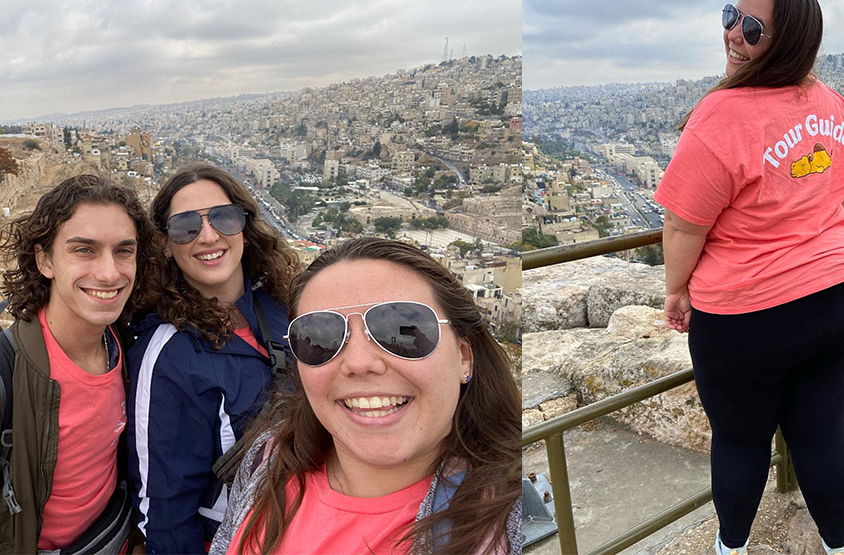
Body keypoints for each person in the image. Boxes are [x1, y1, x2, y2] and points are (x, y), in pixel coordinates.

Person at [653, 0, 844, 554]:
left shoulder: (720, 113)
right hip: (837, 290)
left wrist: (676, 291)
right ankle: (841, 545)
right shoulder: (830, 103)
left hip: (748, 311)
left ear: (789, 41)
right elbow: (839, 186)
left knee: (743, 440)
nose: (732, 33)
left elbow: (683, 224)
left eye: (751, 28)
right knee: (821, 430)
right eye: (731, 17)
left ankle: (732, 547)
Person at [208, 238, 522, 555]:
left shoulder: (511, 517)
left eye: (403, 331)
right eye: (320, 338)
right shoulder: (268, 459)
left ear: (464, 357)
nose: (359, 363)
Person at [127, 163, 299, 553]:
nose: (208, 235)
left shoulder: (281, 309)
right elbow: (164, 508)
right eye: (186, 226)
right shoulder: (170, 355)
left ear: (244, 226)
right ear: (166, 244)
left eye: (223, 217)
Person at [0, 174, 160, 553]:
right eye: (84, 250)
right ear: (44, 260)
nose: (109, 273)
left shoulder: (126, 348)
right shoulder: (9, 371)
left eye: (124, 251)